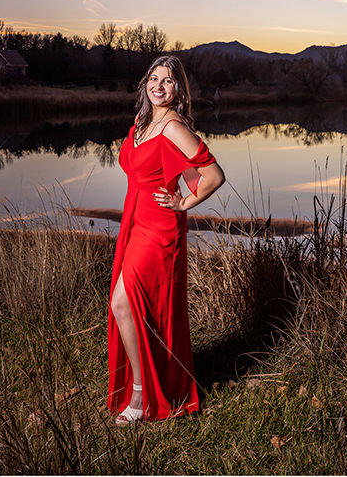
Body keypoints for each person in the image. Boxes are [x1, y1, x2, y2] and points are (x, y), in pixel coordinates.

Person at [107, 55, 226, 425]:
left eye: (169, 81)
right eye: (154, 78)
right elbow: (163, 169)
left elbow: (213, 175)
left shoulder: (173, 126)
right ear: (145, 84)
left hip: (159, 225)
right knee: (134, 305)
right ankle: (151, 384)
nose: (159, 85)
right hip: (134, 218)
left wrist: (183, 202)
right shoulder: (142, 123)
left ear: (179, 90)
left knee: (123, 303)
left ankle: (142, 396)